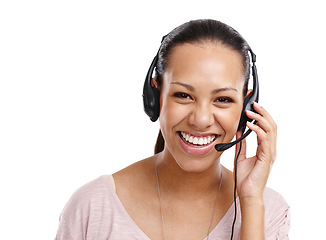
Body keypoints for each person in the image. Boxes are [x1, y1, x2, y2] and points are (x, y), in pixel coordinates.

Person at [55, 19, 290, 240]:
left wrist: (250, 202)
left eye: (223, 99)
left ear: (247, 105)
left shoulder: (268, 210)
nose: (201, 119)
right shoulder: (92, 207)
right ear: (155, 96)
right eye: (183, 95)